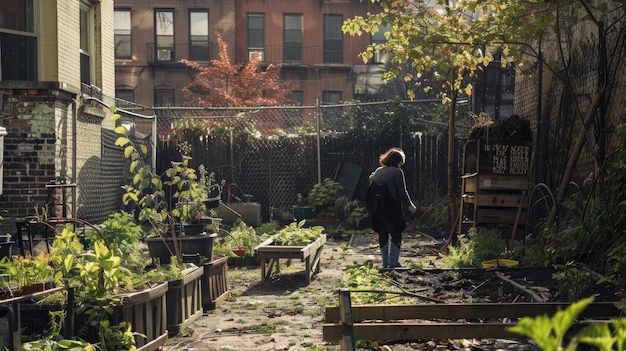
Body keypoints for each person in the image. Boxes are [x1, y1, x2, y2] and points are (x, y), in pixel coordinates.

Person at [365, 147, 418, 268]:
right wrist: (411, 207)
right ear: (398, 162)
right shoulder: (397, 172)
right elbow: (402, 192)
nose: (401, 165)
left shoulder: (378, 170)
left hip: (376, 208)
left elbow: (371, 179)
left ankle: (385, 263)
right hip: (390, 208)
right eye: (401, 163)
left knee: (383, 234)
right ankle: (393, 263)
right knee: (396, 234)